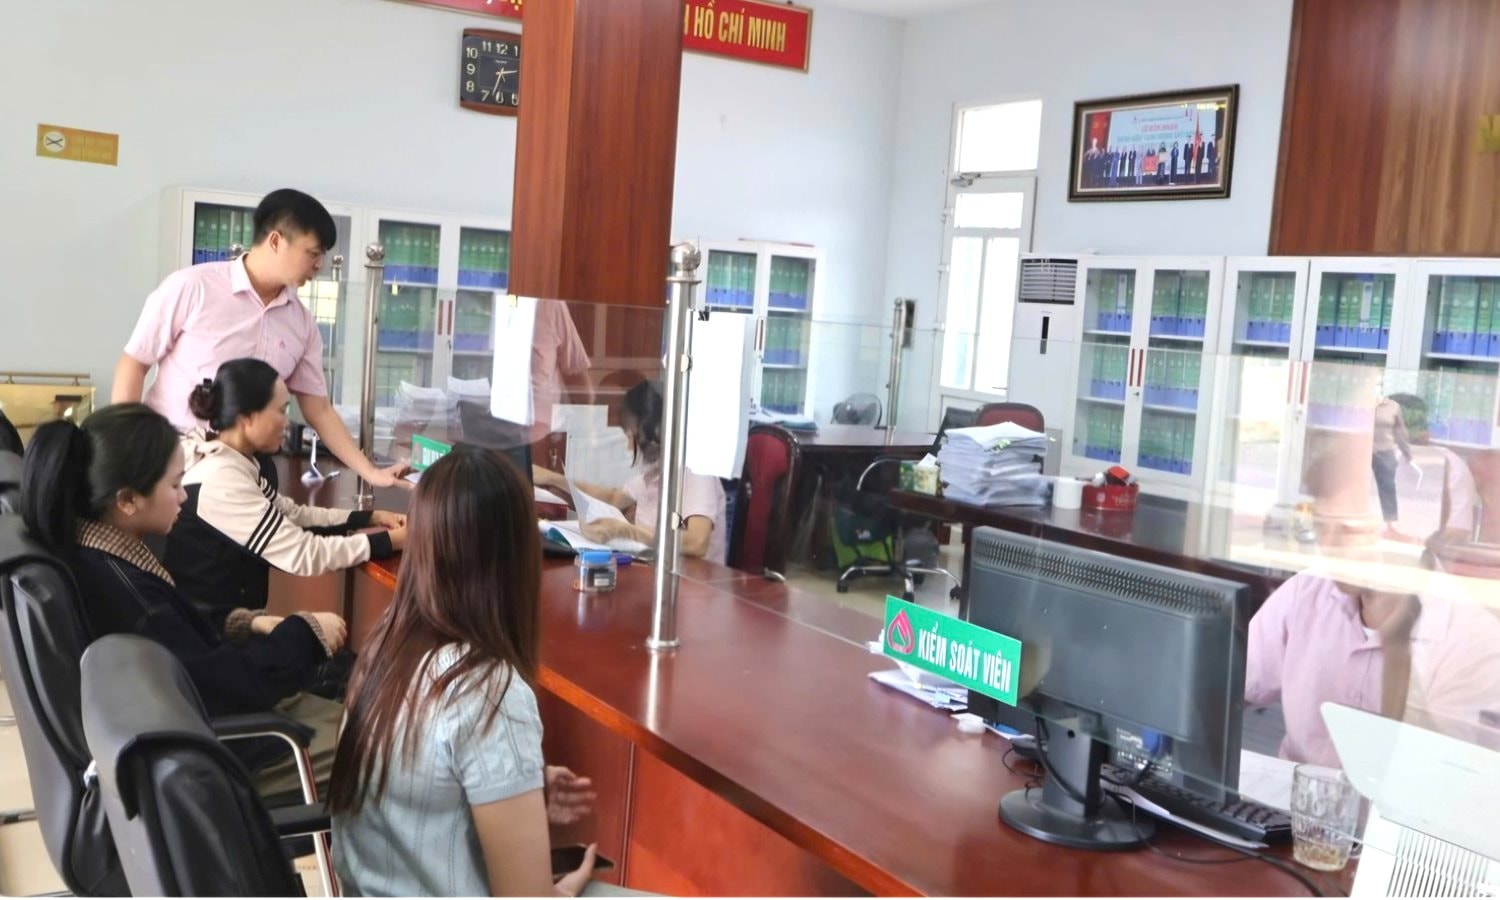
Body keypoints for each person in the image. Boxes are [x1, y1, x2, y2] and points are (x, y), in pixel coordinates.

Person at [20, 404, 346, 795]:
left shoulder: (98, 559)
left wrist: (244, 623)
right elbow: (234, 685)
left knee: (361, 721)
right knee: (383, 752)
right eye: (175, 485)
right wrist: (306, 633)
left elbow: (184, 642)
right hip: (219, 759)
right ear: (128, 500)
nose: (183, 497)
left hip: (193, 735)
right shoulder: (134, 598)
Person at [329, 447, 608, 897]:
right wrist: (566, 891)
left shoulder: (385, 645)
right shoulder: (489, 691)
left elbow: (426, 786)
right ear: (517, 556)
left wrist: (519, 784)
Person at [112, 188, 410, 488]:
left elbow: (319, 409)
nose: (319, 264)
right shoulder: (192, 287)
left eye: (323, 255)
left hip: (247, 468)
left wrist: (371, 472)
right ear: (276, 241)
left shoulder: (301, 323)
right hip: (174, 457)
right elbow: (134, 364)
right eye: (313, 253)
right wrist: (128, 449)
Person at [165, 359, 406, 635]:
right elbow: (304, 554)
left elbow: (292, 515)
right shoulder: (222, 480)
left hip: (226, 623)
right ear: (247, 418)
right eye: (281, 411)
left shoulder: (234, 459)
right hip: (208, 635)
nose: (287, 422)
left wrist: (372, 517)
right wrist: (392, 541)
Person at [1246, 569, 1500, 768]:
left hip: (1396, 816)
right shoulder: (1307, 589)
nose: (1330, 545)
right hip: (1291, 806)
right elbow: (1236, 680)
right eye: (1323, 528)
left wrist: (1398, 654)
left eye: (1352, 530)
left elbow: (1438, 779)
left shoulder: (1472, 637)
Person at [533, 380, 727, 563]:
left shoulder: (696, 471)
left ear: (653, 433)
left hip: (692, 580)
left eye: (630, 436)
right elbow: (613, 498)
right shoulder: (654, 474)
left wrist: (629, 532)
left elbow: (697, 542)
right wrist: (553, 479)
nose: (627, 446)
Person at [1372, 394, 1414, 539]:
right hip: (1362, 449)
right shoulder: (1363, 402)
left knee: (1388, 486)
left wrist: (1406, 451)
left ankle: (1389, 525)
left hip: (1385, 451)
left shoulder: (1393, 407)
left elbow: (1399, 431)